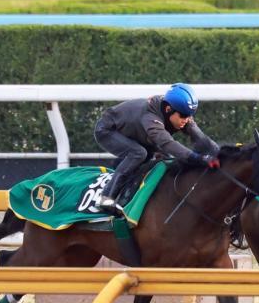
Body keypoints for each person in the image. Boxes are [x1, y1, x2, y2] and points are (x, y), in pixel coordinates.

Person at [93, 82, 220, 215]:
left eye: (189, 115)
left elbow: (199, 135)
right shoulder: (150, 118)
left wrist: (220, 153)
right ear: (168, 110)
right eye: (183, 116)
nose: (186, 120)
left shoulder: (178, 111)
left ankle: (127, 186)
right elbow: (167, 143)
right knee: (139, 153)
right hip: (107, 130)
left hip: (135, 133)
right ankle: (106, 198)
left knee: (154, 156)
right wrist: (198, 158)